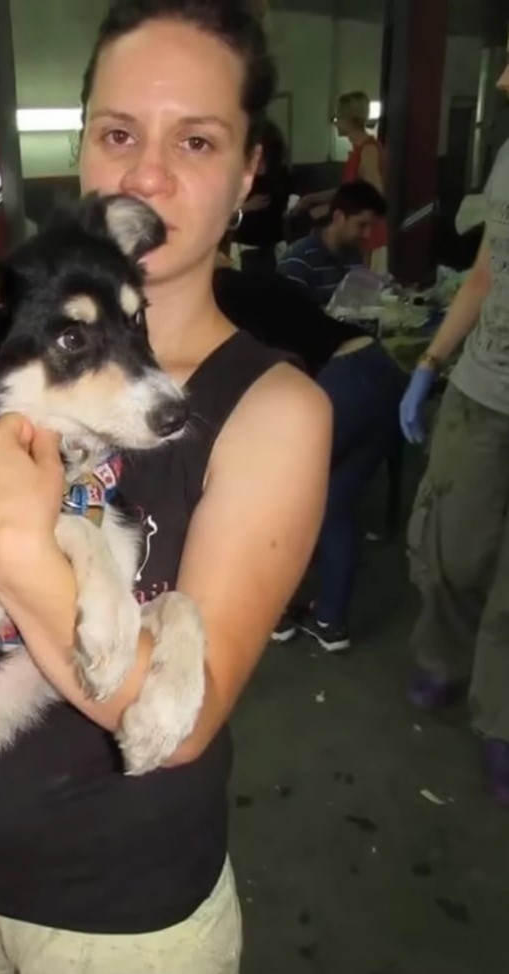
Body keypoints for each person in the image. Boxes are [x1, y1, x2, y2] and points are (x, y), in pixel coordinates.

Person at [0, 2, 332, 974]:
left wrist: (19, 546)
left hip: (118, 922)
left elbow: (179, 720)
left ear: (250, 173)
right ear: (82, 148)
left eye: (196, 140)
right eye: (119, 133)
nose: (148, 174)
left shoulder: (276, 409)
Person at [398, 38, 509, 808]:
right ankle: (441, 653)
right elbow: (483, 271)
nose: (501, 79)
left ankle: (499, 720)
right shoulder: (507, 158)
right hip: (481, 394)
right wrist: (430, 363)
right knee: (447, 551)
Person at [215, 267, 406, 651]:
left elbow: (253, 369)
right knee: (334, 504)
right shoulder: (255, 280)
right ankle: (329, 622)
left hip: (338, 384)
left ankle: (277, 613)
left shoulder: (217, 298)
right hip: (381, 370)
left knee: (273, 502)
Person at [295, 92, 388, 271]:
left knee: (367, 292)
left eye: (338, 117)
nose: (336, 121)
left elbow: (375, 193)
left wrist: (331, 208)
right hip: (360, 233)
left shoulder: (368, 150)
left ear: (348, 119)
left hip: (370, 235)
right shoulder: (358, 151)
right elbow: (350, 191)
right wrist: (312, 198)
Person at [277, 180, 387, 308]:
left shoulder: (354, 256)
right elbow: (285, 316)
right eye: (361, 225)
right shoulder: (299, 259)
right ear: (338, 217)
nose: (367, 234)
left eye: (371, 227)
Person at [231, 118, 292, 274]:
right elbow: (223, 216)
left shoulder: (280, 172)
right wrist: (246, 208)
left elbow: (283, 205)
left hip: (273, 245)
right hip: (243, 246)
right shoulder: (239, 173)